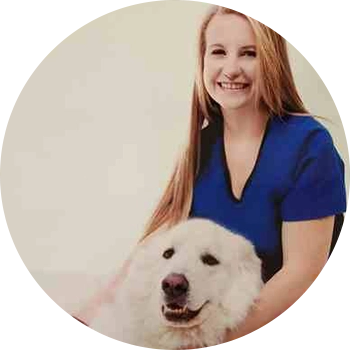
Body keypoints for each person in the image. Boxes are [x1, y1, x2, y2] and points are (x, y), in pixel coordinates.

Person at [37, 5, 349, 350]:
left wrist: (209, 342)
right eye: (218, 52)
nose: (231, 68)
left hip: (313, 330)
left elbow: (301, 273)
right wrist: (82, 320)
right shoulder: (203, 145)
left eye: (249, 53)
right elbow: (153, 244)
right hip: (234, 329)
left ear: (272, 62)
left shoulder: (309, 145)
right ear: (202, 61)